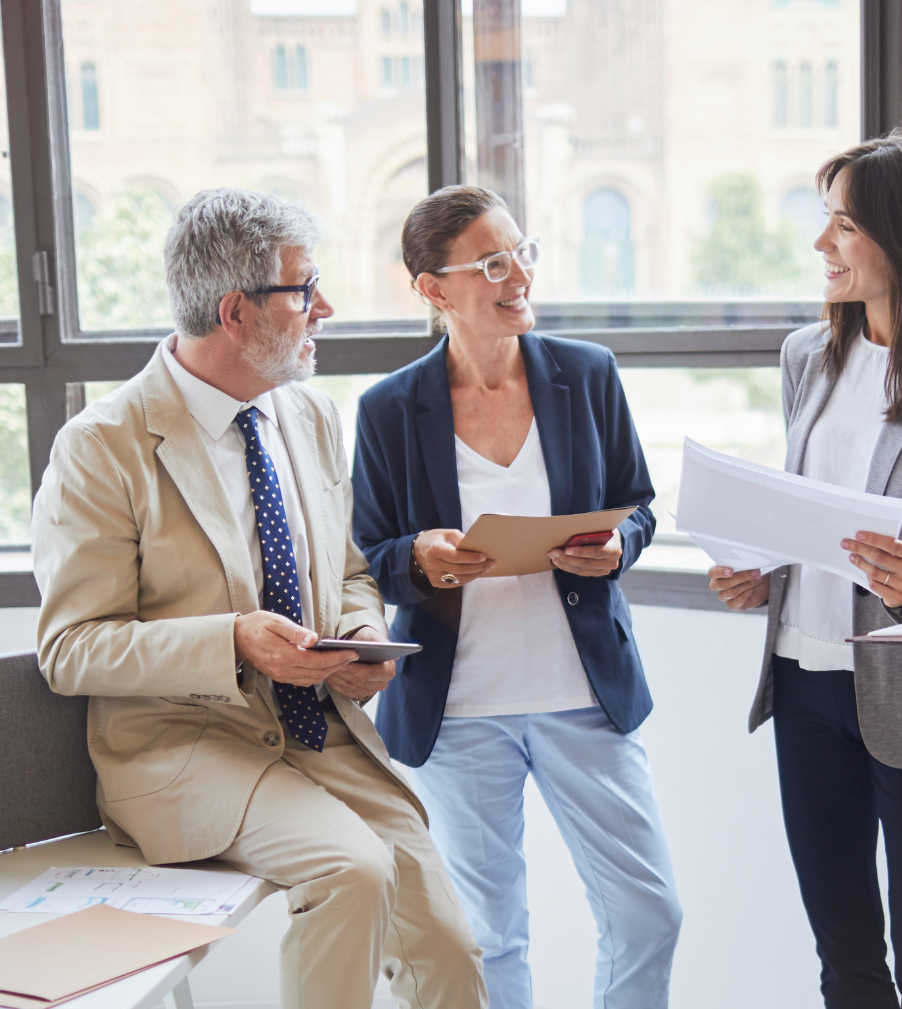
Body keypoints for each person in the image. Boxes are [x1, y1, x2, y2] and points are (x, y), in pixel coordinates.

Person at [32, 188, 486, 1009]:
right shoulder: (103, 446)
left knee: (450, 951)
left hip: (320, 733)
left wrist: (354, 635)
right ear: (236, 311)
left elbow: (347, 570)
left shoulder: (306, 415)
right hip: (186, 747)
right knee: (350, 871)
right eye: (304, 290)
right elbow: (72, 648)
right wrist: (233, 638)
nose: (327, 308)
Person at [706, 132, 902, 1009]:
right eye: (826, 222)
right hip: (804, 684)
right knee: (842, 951)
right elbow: (802, 515)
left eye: (842, 226)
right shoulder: (806, 354)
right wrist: (759, 573)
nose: (822, 246)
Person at [350, 185, 678, 1009]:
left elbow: (637, 502)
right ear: (434, 289)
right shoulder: (389, 409)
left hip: (583, 695)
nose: (519, 275)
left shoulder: (585, 374)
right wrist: (422, 560)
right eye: (492, 263)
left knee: (648, 916)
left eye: (522, 252)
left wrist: (617, 547)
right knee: (490, 937)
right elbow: (372, 556)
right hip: (460, 709)